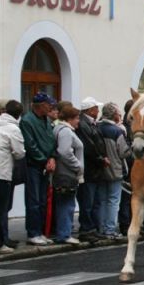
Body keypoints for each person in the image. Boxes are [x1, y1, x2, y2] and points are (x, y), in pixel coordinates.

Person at [20, 92, 57, 246]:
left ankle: (41, 232)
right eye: (49, 104)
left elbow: (51, 140)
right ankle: (33, 232)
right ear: (41, 105)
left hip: (45, 165)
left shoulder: (46, 120)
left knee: (42, 200)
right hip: (33, 166)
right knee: (34, 200)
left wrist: (52, 157)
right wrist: (44, 159)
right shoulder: (27, 121)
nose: (51, 106)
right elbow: (30, 145)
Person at [76, 96, 108, 241]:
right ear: (90, 110)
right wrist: (101, 159)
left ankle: (92, 228)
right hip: (90, 169)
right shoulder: (84, 125)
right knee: (87, 202)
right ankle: (86, 229)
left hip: (95, 169)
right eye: (96, 108)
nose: (98, 110)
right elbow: (89, 147)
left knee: (94, 201)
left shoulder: (91, 124)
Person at [98, 103, 131, 239]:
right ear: (114, 115)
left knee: (102, 200)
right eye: (118, 113)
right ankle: (110, 229)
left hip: (100, 169)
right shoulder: (117, 131)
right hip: (115, 168)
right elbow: (124, 152)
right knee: (113, 200)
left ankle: (101, 227)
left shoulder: (97, 127)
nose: (119, 116)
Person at [52, 105, 84, 245]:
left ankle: (64, 232)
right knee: (67, 204)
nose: (78, 121)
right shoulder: (65, 131)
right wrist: (78, 165)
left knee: (65, 204)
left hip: (64, 172)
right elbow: (64, 152)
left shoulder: (60, 129)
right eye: (77, 118)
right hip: (67, 173)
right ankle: (64, 234)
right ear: (69, 119)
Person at [0, 100, 26, 253]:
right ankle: (1, 242)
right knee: (2, 209)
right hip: (3, 173)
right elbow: (19, 153)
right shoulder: (13, 129)